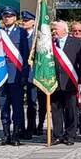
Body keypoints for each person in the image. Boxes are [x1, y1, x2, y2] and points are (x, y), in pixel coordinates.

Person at [0, 6, 30, 146]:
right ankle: (5, 134)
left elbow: (26, 55)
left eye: (10, 16)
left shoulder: (22, 33)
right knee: (3, 106)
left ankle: (16, 134)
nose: (7, 18)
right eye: (5, 16)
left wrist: (24, 76)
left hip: (16, 75)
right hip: (1, 75)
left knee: (17, 107)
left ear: (15, 18)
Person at [51, 20, 81, 145]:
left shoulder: (77, 43)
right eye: (54, 29)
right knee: (56, 109)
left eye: (56, 29)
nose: (54, 31)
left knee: (71, 110)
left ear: (64, 30)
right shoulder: (50, 43)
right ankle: (57, 135)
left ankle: (70, 135)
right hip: (55, 82)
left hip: (70, 81)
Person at [21, 10, 46, 139]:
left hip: (37, 72)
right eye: (23, 20)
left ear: (33, 22)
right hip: (25, 73)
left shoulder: (39, 36)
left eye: (26, 21)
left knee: (40, 102)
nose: (24, 22)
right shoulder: (21, 35)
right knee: (30, 103)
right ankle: (30, 127)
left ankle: (40, 124)